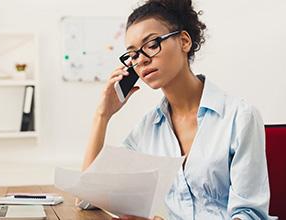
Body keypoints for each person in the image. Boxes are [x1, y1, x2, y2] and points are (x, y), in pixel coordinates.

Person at [80, 0, 272, 219]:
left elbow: (249, 214)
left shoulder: (240, 117)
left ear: (184, 41)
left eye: (152, 44)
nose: (141, 60)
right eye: (133, 55)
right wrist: (102, 115)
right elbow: (87, 197)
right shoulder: (148, 128)